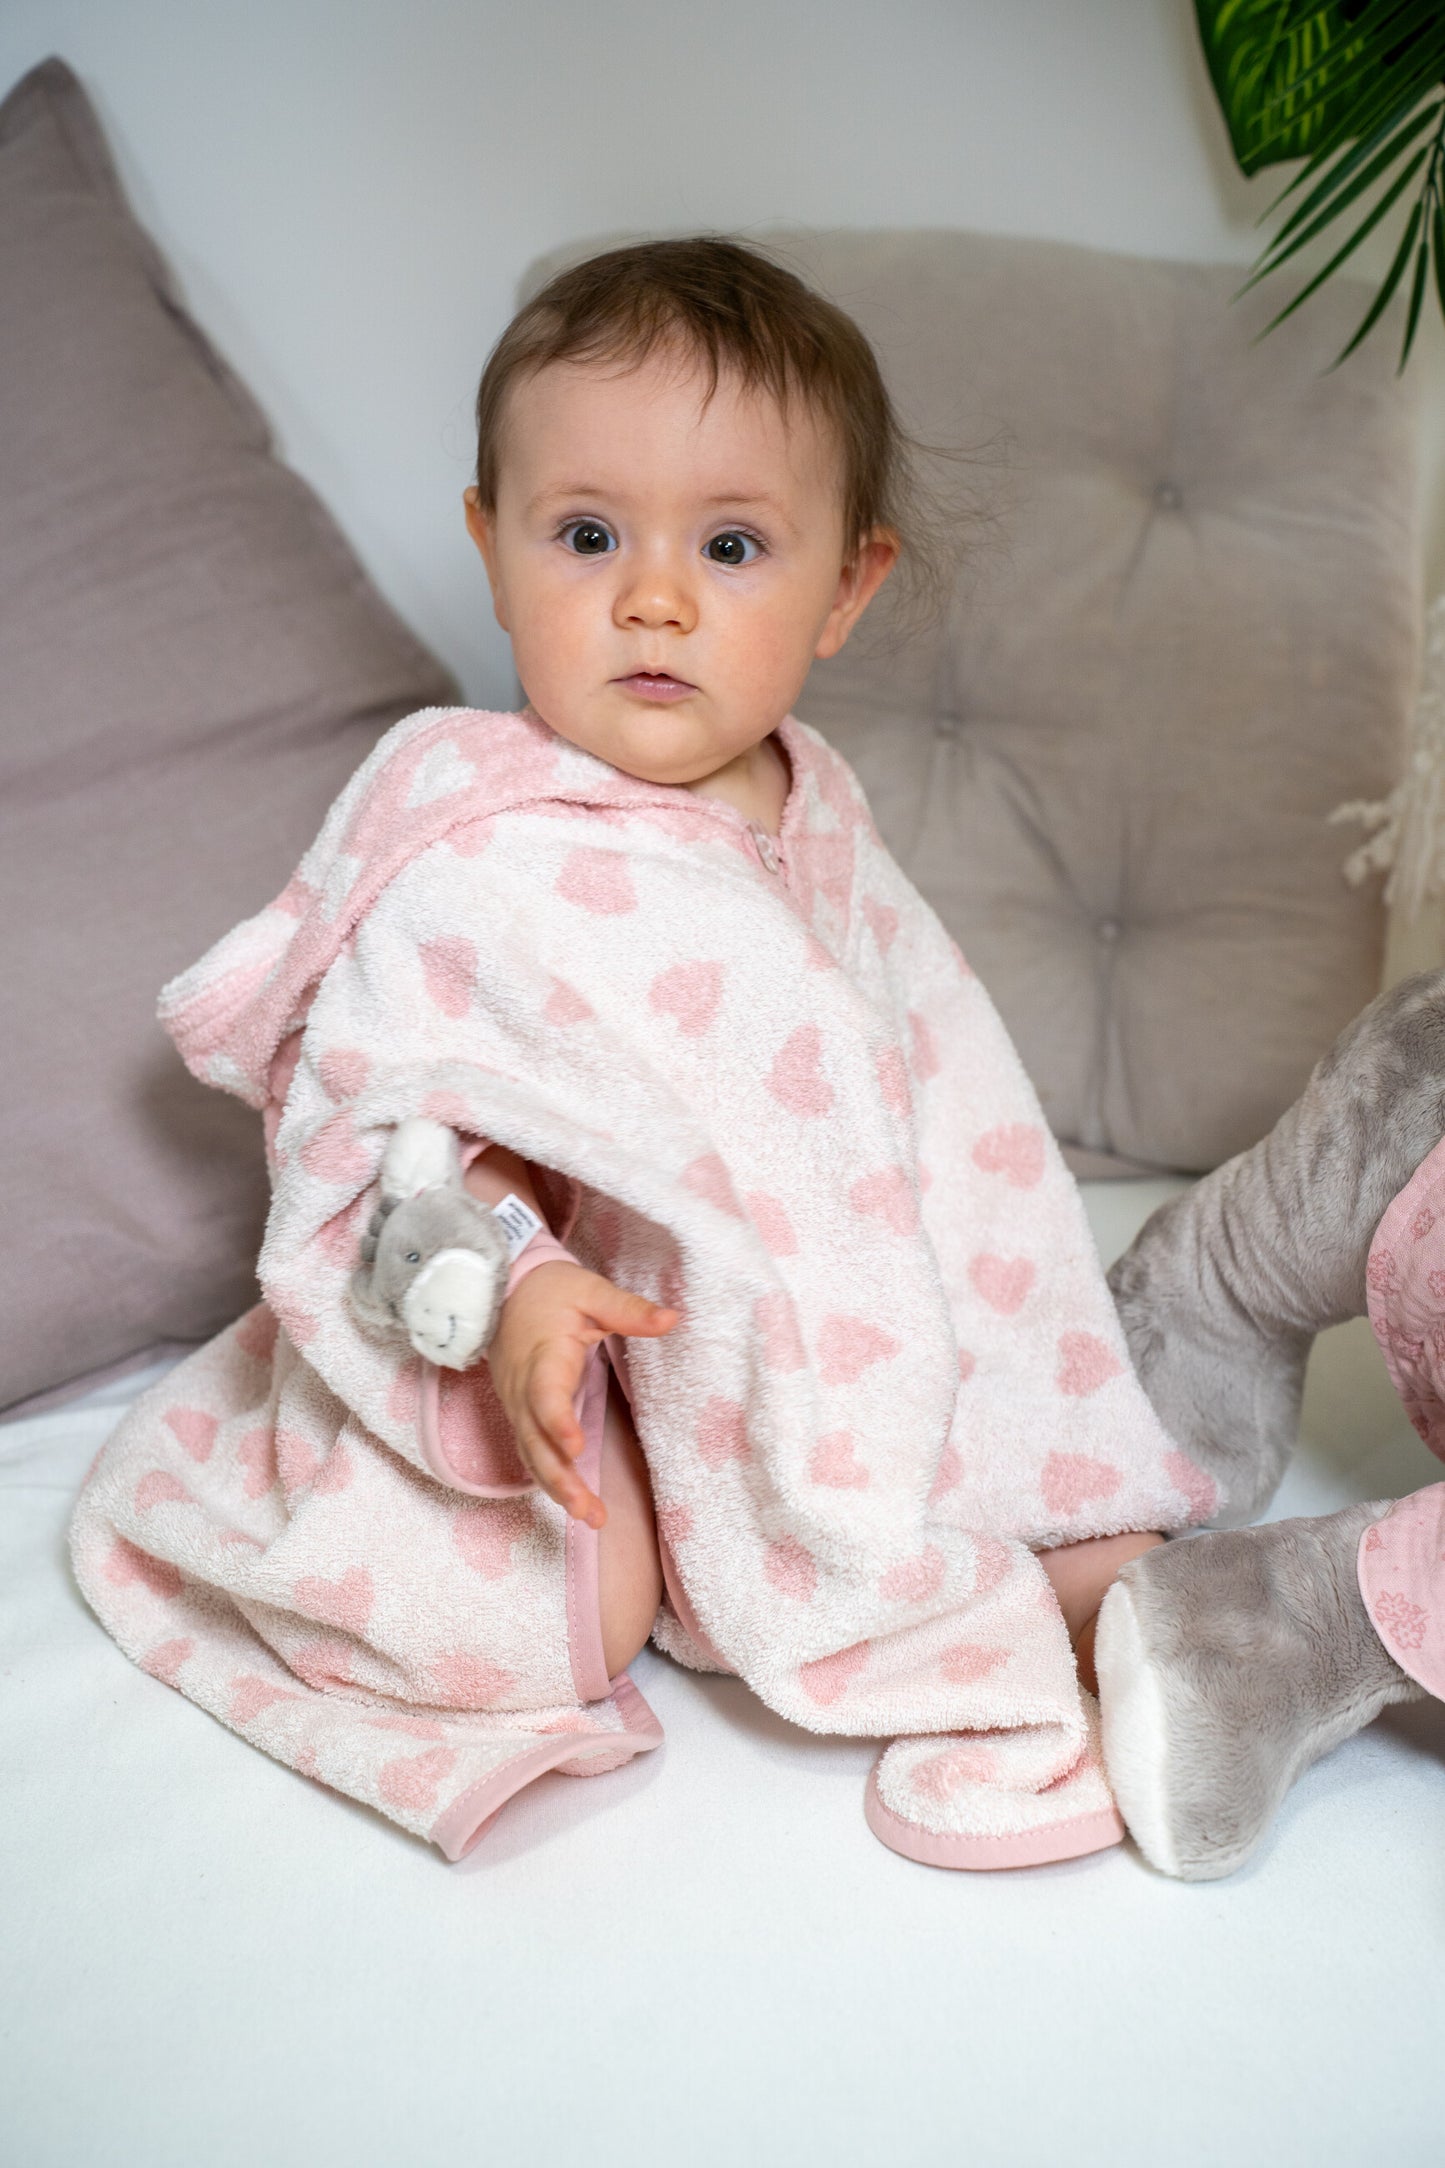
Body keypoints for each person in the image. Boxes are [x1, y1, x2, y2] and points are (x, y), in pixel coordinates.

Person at [71, 238, 1211, 1866]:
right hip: (553, 1334)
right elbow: (398, 1133)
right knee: (572, 1604)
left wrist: (935, 1299)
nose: (653, 597)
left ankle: (1075, 1578)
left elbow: (918, 1079)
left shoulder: (815, 802)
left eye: (731, 546)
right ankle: (656, 1536)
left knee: (1043, 1481)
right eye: (587, 535)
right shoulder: (477, 840)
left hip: (801, 1316)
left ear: (845, 589)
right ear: (492, 547)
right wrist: (520, 1288)